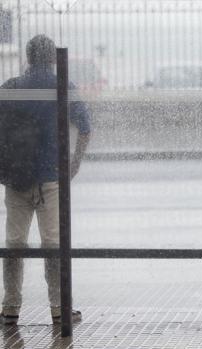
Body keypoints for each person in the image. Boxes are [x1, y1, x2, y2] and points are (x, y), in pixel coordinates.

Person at [0, 34, 91, 325]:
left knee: (14, 244)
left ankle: (10, 307)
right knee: (53, 244)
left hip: (17, 178)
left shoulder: (11, 87)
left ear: (27, 57)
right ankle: (59, 308)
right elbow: (85, 127)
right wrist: (74, 161)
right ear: (53, 58)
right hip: (51, 177)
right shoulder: (63, 85)